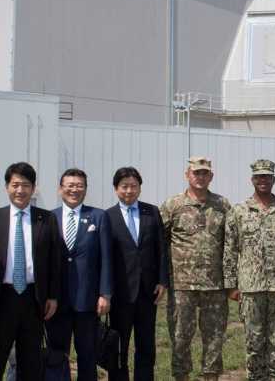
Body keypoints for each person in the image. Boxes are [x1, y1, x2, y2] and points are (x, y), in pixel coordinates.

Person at [0, 162, 64, 380]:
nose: (20, 190)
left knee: (31, 363)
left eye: (25, 185)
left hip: (33, 300)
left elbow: (55, 261)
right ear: (7, 187)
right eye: (15, 185)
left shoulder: (47, 219)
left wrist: (52, 295)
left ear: (33, 188)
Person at [160, 156, 232, 381]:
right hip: (182, 285)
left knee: (214, 337)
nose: (200, 177)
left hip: (215, 285)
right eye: (196, 172)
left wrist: (231, 281)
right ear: (187, 175)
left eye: (204, 173)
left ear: (211, 176)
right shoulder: (173, 205)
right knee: (181, 337)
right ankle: (181, 376)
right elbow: (159, 243)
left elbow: (231, 243)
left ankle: (211, 377)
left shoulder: (222, 205)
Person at [224, 159, 275, 381]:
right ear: (252, 179)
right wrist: (231, 285)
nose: (263, 180)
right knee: (254, 346)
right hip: (250, 289)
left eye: (267, 176)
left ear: (273, 179)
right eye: (259, 177)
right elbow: (229, 249)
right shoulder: (238, 211)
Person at [47, 168, 112, 381]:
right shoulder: (49, 218)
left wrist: (105, 293)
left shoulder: (98, 216)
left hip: (88, 300)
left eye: (79, 186)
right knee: (56, 354)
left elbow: (106, 258)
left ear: (85, 189)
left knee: (87, 354)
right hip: (56, 301)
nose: (74, 190)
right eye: (70, 185)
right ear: (60, 189)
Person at [106, 166, 169, 381]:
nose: (129, 191)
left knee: (146, 346)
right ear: (116, 189)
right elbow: (105, 257)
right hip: (120, 293)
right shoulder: (107, 216)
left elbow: (161, 249)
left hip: (147, 291)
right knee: (119, 346)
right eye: (124, 187)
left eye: (133, 186)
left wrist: (162, 281)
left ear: (140, 188)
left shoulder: (151, 212)